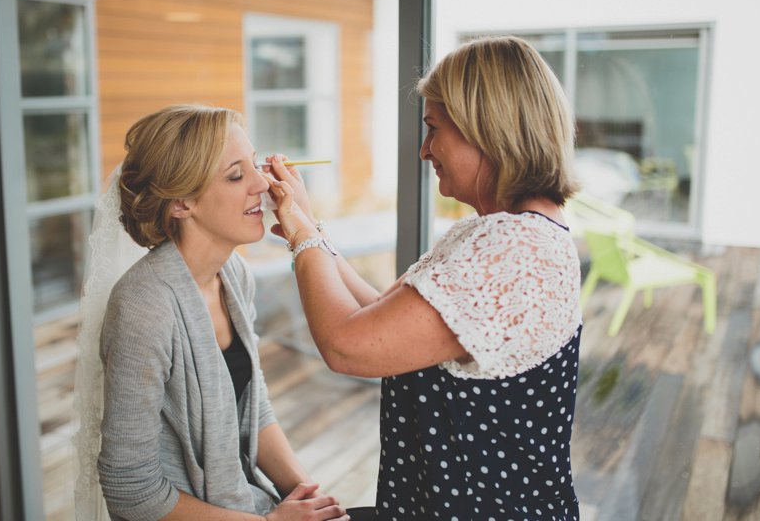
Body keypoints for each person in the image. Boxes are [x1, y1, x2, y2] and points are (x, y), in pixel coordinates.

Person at [264, 36, 583, 520]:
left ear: (488, 130)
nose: (424, 149)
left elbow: (348, 344)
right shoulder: (500, 234)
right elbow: (380, 316)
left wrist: (303, 236)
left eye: (434, 129)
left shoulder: (512, 252)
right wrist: (311, 229)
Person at [73, 104, 350, 521]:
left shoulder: (234, 274)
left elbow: (252, 407)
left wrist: (308, 495)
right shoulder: (143, 307)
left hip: (251, 504)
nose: (262, 184)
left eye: (255, 165)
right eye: (236, 175)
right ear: (182, 203)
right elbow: (131, 490)